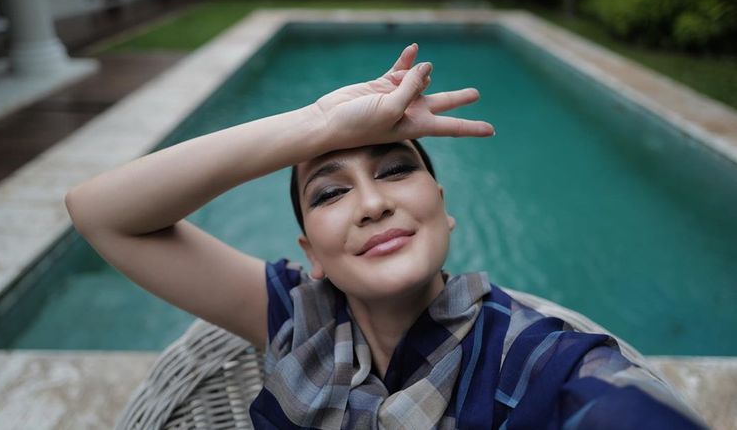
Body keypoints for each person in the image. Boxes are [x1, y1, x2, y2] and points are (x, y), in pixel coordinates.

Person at [65, 44, 705, 429]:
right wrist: (315, 124)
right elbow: (100, 213)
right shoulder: (297, 321)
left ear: (443, 210)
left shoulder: (534, 362)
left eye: (396, 170)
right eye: (330, 192)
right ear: (310, 254)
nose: (372, 204)